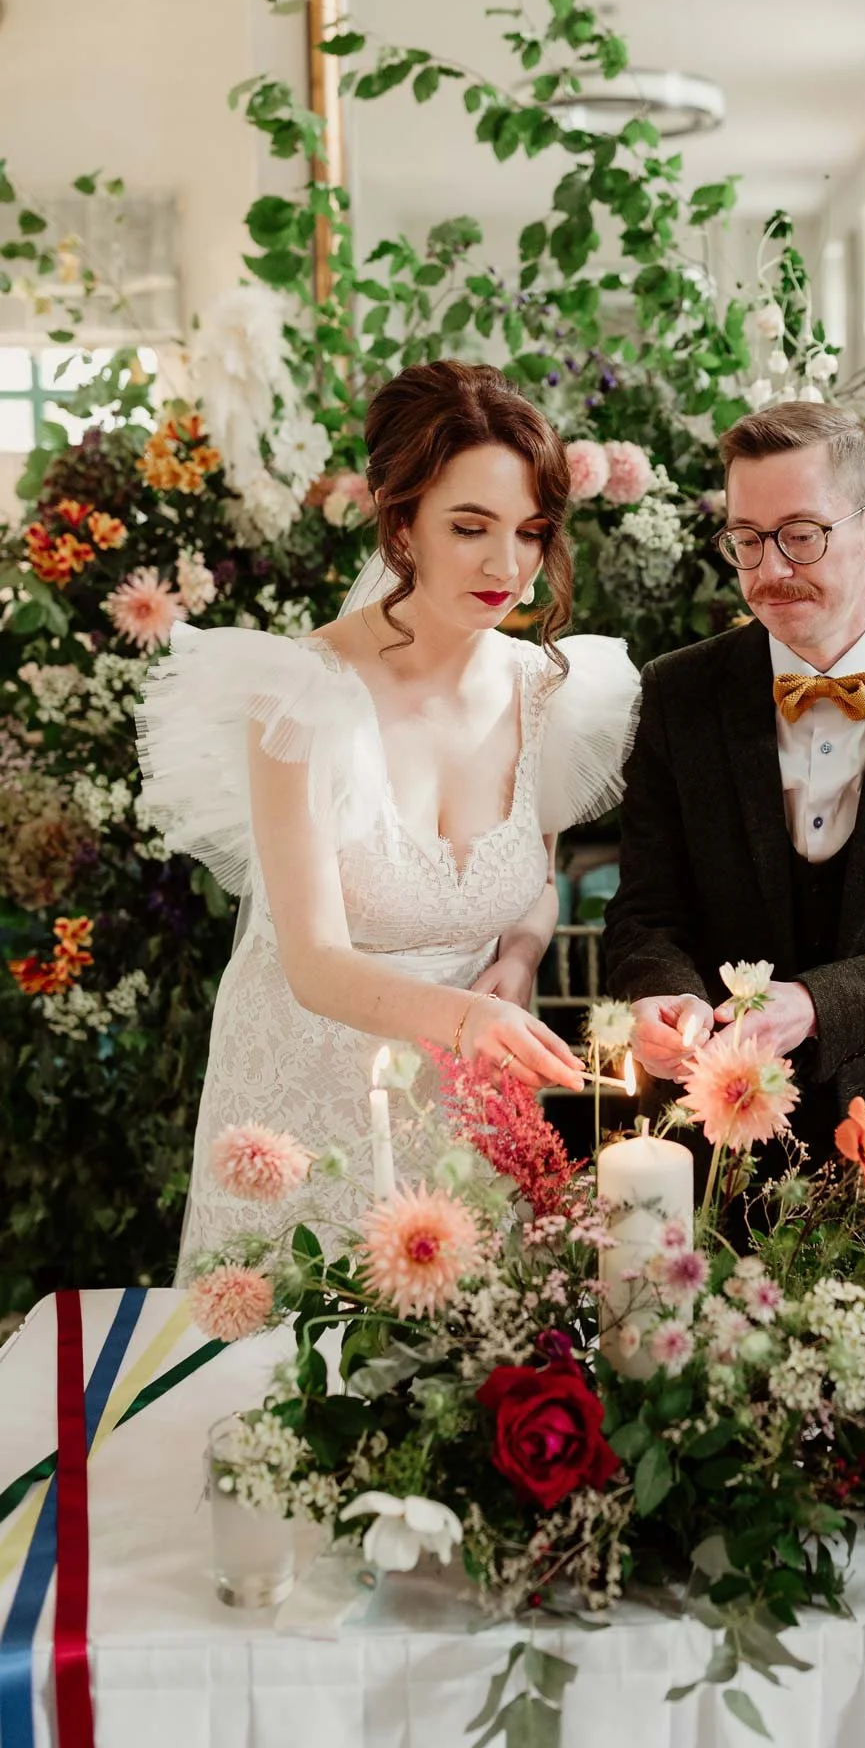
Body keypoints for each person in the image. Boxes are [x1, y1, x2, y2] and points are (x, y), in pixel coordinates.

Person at [138, 361, 638, 1268]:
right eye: (470, 527)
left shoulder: (548, 693)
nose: (506, 566)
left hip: (467, 1093)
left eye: (531, 531)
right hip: (304, 1090)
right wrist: (467, 1022)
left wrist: (520, 958)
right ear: (398, 521)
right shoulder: (300, 695)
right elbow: (316, 963)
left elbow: (527, 885)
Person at [602, 401, 865, 1164]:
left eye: (801, 536)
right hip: (709, 1121)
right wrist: (663, 994)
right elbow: (645, 912)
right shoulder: (677, 693)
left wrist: (815, 1006)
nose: (769, 571)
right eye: (746, 540)